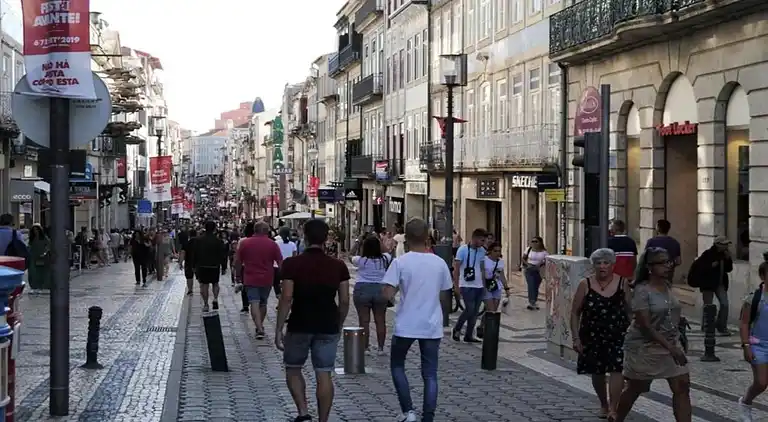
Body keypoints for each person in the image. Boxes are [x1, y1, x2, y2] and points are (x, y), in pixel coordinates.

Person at [274, 219, 350, 422]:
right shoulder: (338, 266)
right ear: (326, 239)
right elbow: (344, 300)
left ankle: (303, 412)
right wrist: (340, 322)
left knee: (293, 368)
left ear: (304, 237)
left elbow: (287, 297)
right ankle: (323, 419)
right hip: (327, 324)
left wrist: (279, 327)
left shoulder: (292, 264)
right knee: (324, 373)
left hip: (299, 323)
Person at [382, 217, 452, 422]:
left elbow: (387, 292)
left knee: (397, 365)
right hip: (431, 325)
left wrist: (395, 295)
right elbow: (445, 295)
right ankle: (428, 416)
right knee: (430, 374)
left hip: (406, 323)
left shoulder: (400, 262)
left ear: (406, 238)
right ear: (427, 236)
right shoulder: (439, 263)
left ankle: (408, 411)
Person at [614, 247, 691, 422]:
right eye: (663, 262)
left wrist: (678, 319)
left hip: (670, 342)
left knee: (682, 386)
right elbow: (645, 326)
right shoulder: (642, 290)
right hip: (645, 347)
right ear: (650, 267)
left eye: (669, 262)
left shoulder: (667, 285)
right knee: (637, 387)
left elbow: (667, 308)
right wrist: (672, 349)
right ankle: (617, 417)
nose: (668, 266)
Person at [571, 248, 631, 420]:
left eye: (606, 263)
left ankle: (613, 408)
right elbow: (575, 312)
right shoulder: (585, 284)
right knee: (597, 371)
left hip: (617, 333)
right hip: (591, 334)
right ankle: (603, 404)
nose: (602, 266)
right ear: (594, 266)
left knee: (616, 368)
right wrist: (576, 338)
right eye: (598, 263)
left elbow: (629, 310)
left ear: (612, 265)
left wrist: (634, 332)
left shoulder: (622, 283)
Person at [235, 221, 283, 339]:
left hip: (250, 277)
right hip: (267, 278)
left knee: (253, 303)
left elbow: (237, 261)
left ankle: (259, 327)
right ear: (266, 231)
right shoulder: (272, 244)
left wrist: (237, 276)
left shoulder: (245, 243)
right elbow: (280, 261)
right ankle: (259, 326)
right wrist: (282, 277)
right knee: (263, 303)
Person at [349, 235, 391, 355]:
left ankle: (365, 348)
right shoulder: (385, 259)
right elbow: (388, 251)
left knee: (364, 321)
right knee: (380, 320)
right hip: (380, 289)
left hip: (362, 289)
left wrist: (358, 242)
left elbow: (350, 255)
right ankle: (381, 348)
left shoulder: (361, 260)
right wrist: (379, 241)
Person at [738, 256, 768, 422]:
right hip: (758, 345)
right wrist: (746, 345)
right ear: (763, 276)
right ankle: (745, 402)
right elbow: (744, 323)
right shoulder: (754, 298)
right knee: (762, 383)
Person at [687, 236, 733, 336]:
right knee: (708, 306)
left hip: (720, 284)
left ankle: (722, 326)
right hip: (708, 284)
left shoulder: (725, 255)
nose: (726, 246)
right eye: (724, 244)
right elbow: (700, 267)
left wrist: (728, 259)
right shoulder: (707, 254)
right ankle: (706, 326)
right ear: (718, 245)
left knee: (725, 304)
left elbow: (729, 269)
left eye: (727, 244)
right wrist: (711, 266)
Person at [451, 228, 487, 343]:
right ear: (475, 238)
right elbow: (456, 269)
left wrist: (485, 286)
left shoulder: (482, 251)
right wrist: (456, 286)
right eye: (481, 240)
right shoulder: (462, 250)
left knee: (475, 312)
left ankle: (469, 335)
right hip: (466, 285)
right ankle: (457, 328)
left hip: (479, 285)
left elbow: (483, 269)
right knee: (469, 309)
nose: (483, 243)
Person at [194, 221, 227, 312]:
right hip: (214, 266)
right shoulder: (218, 241)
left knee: (204, 285)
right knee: (215, 283)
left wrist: (194, 266)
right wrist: (223, 267)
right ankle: (215, 299)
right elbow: (222, 255)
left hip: (202, 265)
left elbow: (195, 254)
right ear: (214, 229)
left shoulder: (199, 240)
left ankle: (205, 304)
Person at [521, 236, 549, 310]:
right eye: (532, 241)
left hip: (538, 270)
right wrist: (527, 264)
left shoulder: (544, 252)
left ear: (540, 242)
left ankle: (534, 301)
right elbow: (523, 258)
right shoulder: (529, 249)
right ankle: (531, 302)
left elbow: (547, 261)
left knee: (536, 286)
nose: (534, 243)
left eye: (536, 241)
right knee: (531, 285)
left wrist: (540, 264)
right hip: (529, 269)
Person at [274, 226, 298, 300]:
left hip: (277, 266)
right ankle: (285, 299)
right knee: (287, 284)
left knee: (276, 284)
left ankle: (280, 298)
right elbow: (294, 257)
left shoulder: (276, 243)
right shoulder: (292, 244)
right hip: (289, 267)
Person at [27, 224, 51, 294]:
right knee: (33, 272)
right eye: (34, 230)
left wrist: (44, 252)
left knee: (43, 272)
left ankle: (43, 286)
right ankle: (34, 286)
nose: (35, 231)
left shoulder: (44, 238)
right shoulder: (32, 238)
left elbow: (49, 245)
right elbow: (29, 246)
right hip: (33, 257)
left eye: (37, 230)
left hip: (43, 257)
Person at [179, 229, 197, 296]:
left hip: (189, 262)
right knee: (200, 277)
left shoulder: (186, 243)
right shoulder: (200, 242)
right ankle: (202, 289)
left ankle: (190, 290)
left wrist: (180, 263)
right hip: (198, 262)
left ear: (189, 235)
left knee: (189, 277)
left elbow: (183, 253)